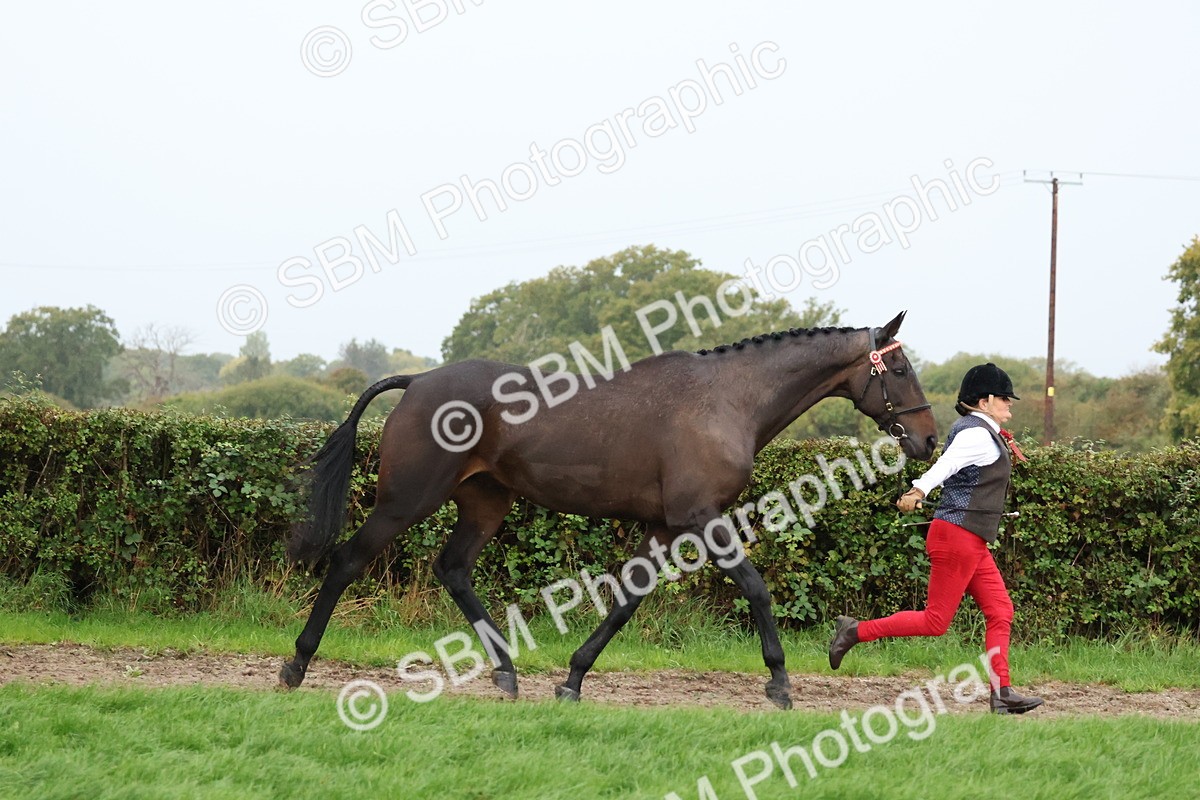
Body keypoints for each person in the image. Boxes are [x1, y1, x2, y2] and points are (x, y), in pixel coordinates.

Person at [827, 363, 1044, 715]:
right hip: (957, 537)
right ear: (985, 401)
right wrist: (919, 489)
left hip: (970, 539)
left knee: (1001, 610)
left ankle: (1001, 693)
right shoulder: (975, 434)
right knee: (935, 622)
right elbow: (945, 466)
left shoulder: (983, 432)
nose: (1010, 405)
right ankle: (854, 631)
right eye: (1005, 399)